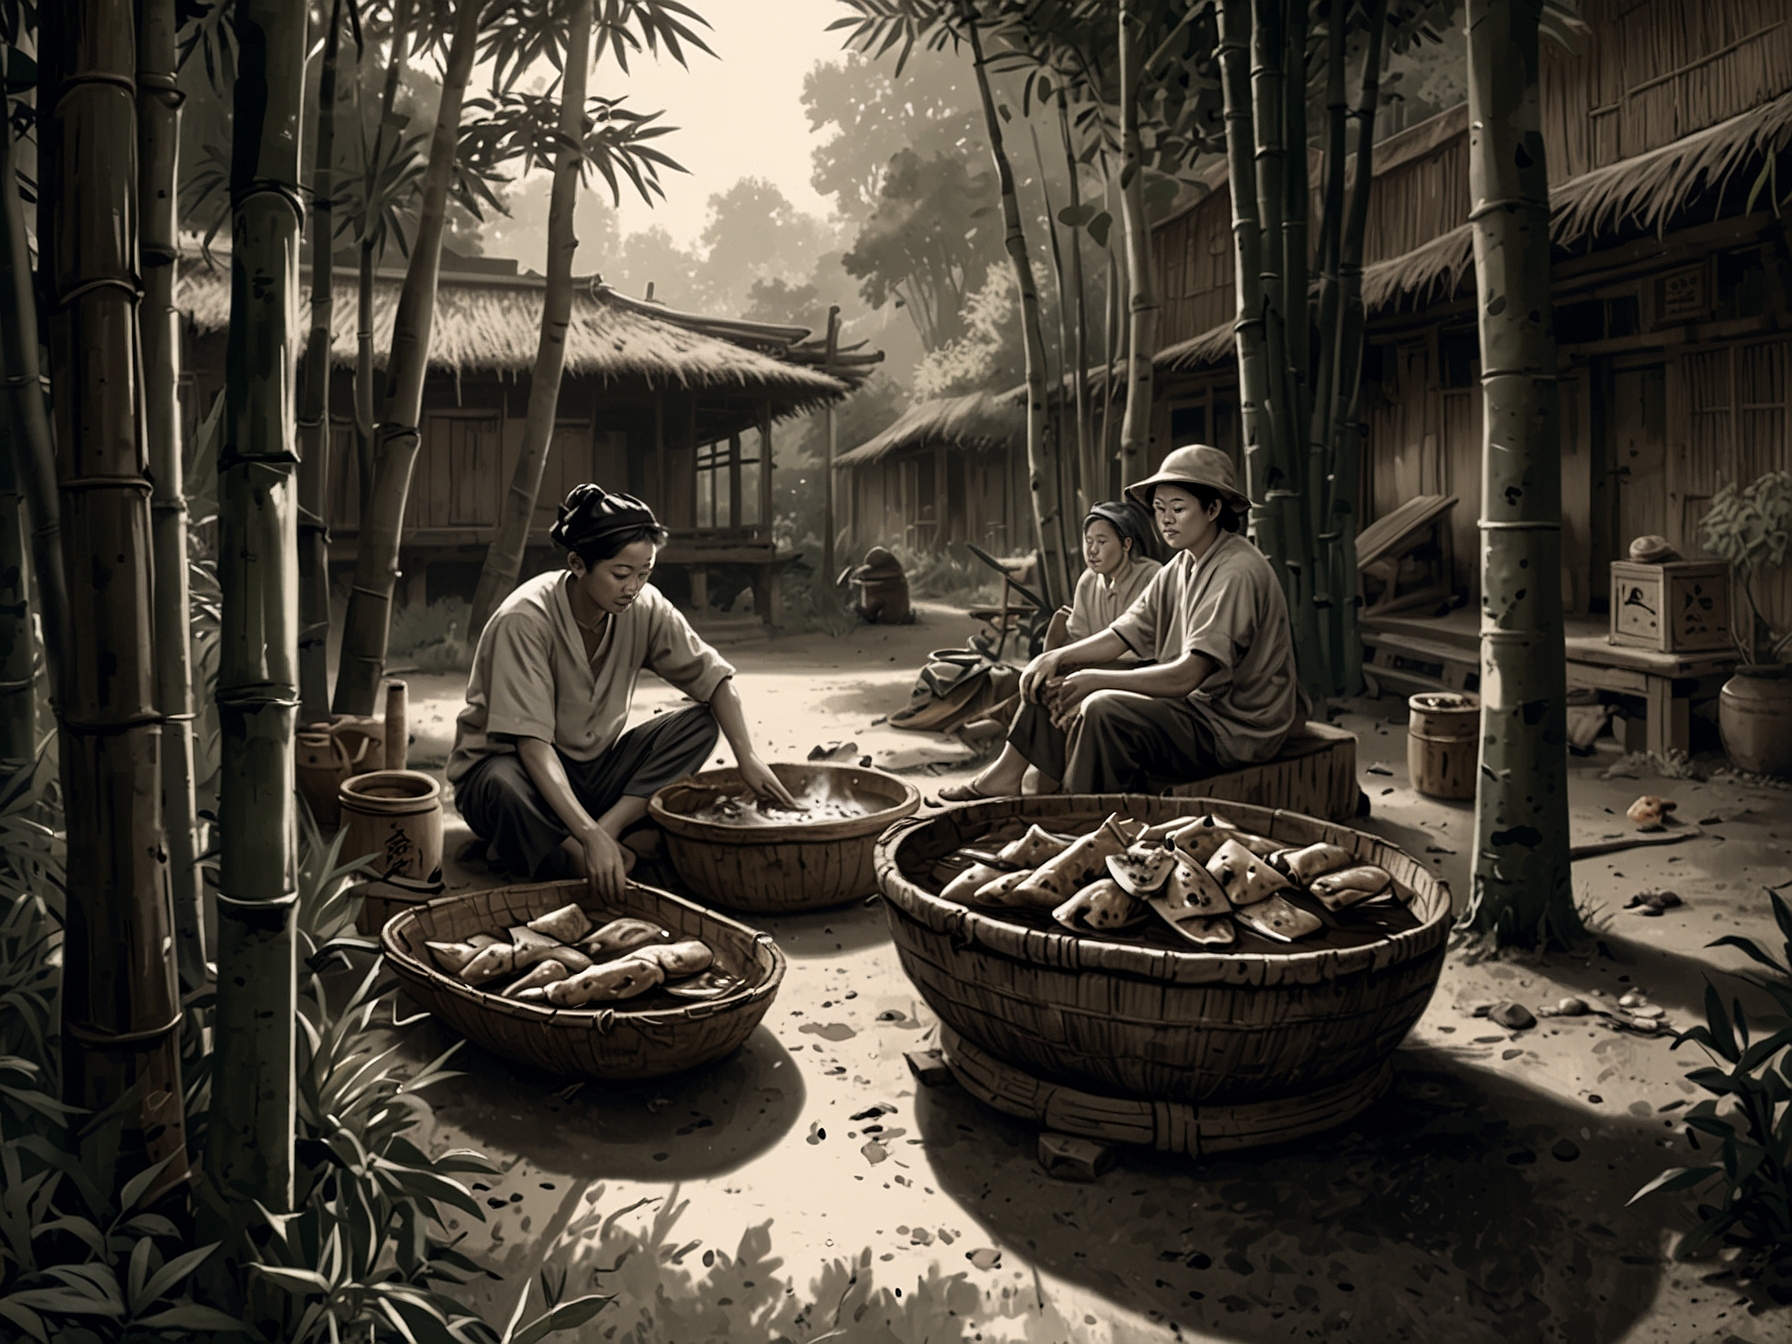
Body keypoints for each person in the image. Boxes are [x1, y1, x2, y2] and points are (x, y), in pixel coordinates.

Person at [449, 484, 797, 897]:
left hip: (591, 773)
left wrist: (748, 756)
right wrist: (588, 838)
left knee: (701, 723)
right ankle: (575, 854)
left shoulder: (645, 607)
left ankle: (602, 835)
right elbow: (532, 746)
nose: (633, 587)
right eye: (620, 574)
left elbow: (716, 680)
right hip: (514, 770)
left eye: (644, 573)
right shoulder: (525, 620)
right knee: (502, 787)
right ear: (578, 564)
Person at [949, 444, 1307, 798]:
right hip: (1196, 707)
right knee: (1058, 676)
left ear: (1213, 508)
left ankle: (1085, 816)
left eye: (1178, 508)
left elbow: (1188, 675)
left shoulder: (1236, 571)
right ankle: (1007, 777)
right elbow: (1123, 633)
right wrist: (1055, 658)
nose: (1165, 519)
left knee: (1102, 708)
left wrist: (1096, 679)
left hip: (1231, 728)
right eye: (1159, 509)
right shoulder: (1180, 567)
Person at [940, 500, 1163, 799]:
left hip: (1141, 673)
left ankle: (1009, 776)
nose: (1092, 550)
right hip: (1094, 670)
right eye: (1087, 542)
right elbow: (1079, 642)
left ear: (1126, 544)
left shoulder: (1152, 577)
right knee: (1043, 685)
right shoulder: (1088, 582)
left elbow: (1146, 650)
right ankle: (1007, 774)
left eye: (1101, 541)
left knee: (1062, 689)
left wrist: (1082, 673)